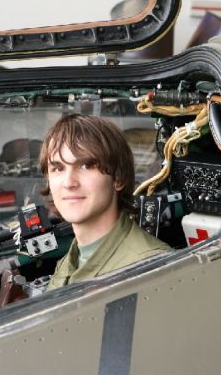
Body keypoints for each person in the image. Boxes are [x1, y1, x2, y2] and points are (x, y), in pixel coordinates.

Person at [40, 114, 170, 290]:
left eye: (86, 166)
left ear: (118, 178)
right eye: (58, 168)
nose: (69, 183)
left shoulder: (153, 269)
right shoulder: (70, 262)